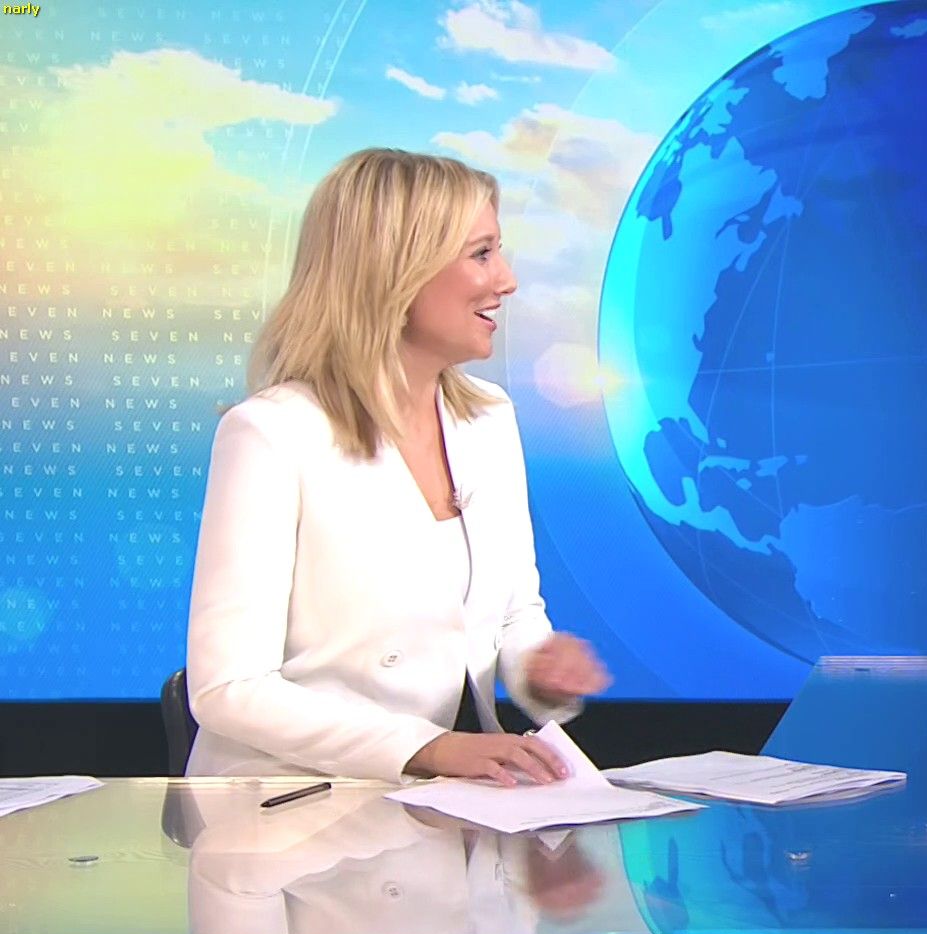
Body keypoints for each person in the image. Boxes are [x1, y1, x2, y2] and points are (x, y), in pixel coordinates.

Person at [186, 148, 611, 785]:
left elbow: (514, 614)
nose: (507, 280)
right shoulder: (272, 434)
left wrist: (540, 670)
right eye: (482, 254)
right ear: (397, 271)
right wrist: (428, 748)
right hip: (287, 805)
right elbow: (229, 688)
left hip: (427, 802)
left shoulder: (488, 420)